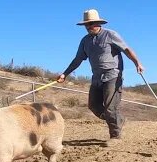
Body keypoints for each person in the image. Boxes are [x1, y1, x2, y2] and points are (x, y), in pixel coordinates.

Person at [56, 9, 144, 145]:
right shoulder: (85, 41)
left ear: (98, 23)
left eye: (91, 24)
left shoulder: (110, 35)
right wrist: (65, 74)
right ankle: (117, 119)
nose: (89, 27)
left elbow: (126, 49)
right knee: (93, 105)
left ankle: (115, 136)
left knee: (110, 108)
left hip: (113, 75)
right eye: (87, 25)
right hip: (96, 77)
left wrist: (137, 63)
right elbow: (78, 59)